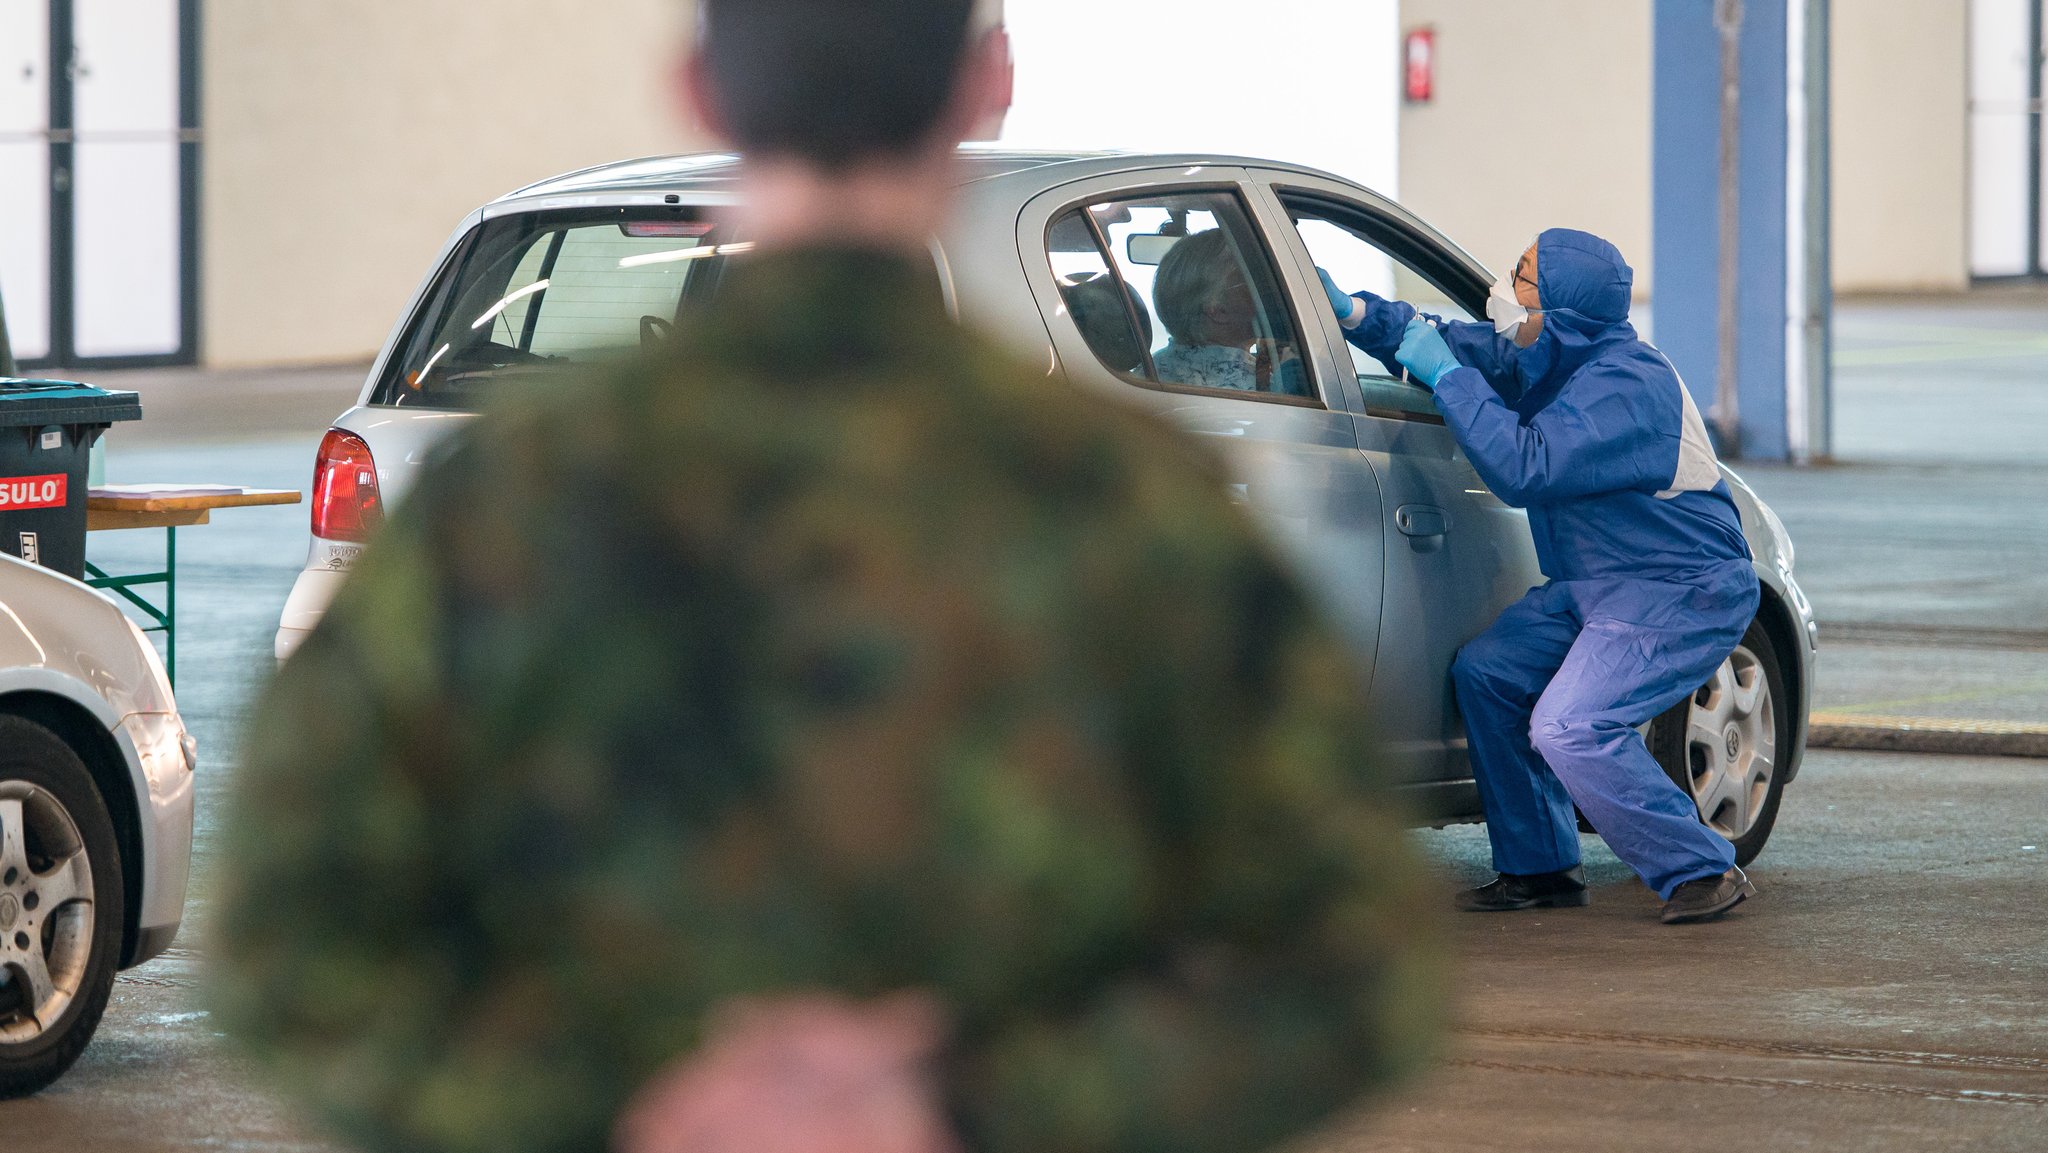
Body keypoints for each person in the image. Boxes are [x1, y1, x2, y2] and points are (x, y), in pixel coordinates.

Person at [209, 3, 1447, 1153]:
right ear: (984, 83)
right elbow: (1354, 966)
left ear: (698, 90)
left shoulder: (509, 504)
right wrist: (961, 1103)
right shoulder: (1124, 502)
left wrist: (634, 1101)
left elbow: (285, 942)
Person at [1322, 230, 1761, 925]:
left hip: (1678, 589)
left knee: (1571, 725)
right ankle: (1541, 865)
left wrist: (1451, 379)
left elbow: (1525, 467)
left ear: (1560, 308)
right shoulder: (1551, 355)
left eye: (1520, 277)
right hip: (1595, 586)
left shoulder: (1629, 385)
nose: (1503, 286)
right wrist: (1353, 313)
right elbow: (1452, 342)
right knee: (1488, 672)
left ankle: (1700, 866)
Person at [1153, 229, 1308, 396]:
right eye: (1253, 280)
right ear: (1218, 310)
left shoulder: (1150, 370)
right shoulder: (1256, 388)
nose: (1269, 289)